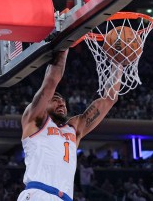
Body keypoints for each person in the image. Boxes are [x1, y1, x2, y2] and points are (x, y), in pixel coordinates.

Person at [17, 49, 122, 201]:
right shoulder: (34, 120)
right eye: (55, 99)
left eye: (63, 101)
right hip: (38, 193)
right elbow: (51, 81)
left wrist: (118, 64)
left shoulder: (73, 129)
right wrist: (65, 45)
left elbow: (109, 99)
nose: (61, 102)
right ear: (44, 103)